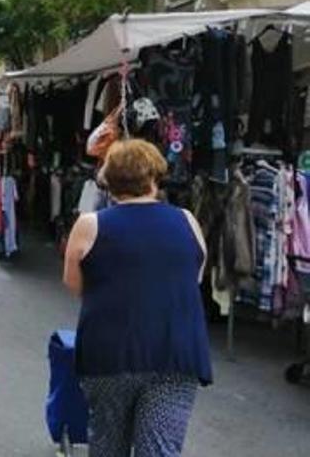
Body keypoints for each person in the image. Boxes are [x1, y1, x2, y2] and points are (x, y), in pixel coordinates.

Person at [63, 139, 212, 457]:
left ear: (109, 181)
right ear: (155, 177)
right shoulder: (187, 220)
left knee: (108, 444)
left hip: (110, 354)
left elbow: (75, 284)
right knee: (160, 449)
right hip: (175, 353)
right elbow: (193, 278)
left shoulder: (90, 225)